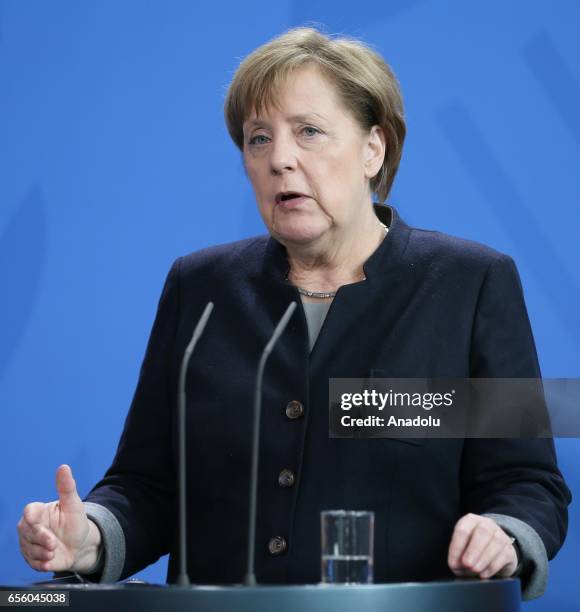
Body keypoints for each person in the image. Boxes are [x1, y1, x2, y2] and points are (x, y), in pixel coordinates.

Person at [17, 27, 571, 600]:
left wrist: (503, 534)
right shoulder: (198, 288)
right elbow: (149, 485)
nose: (280, 159)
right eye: (258, 139)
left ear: (372, 149)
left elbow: (526, 483)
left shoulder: (469, 283)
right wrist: (89, 539)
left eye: (308, 132)